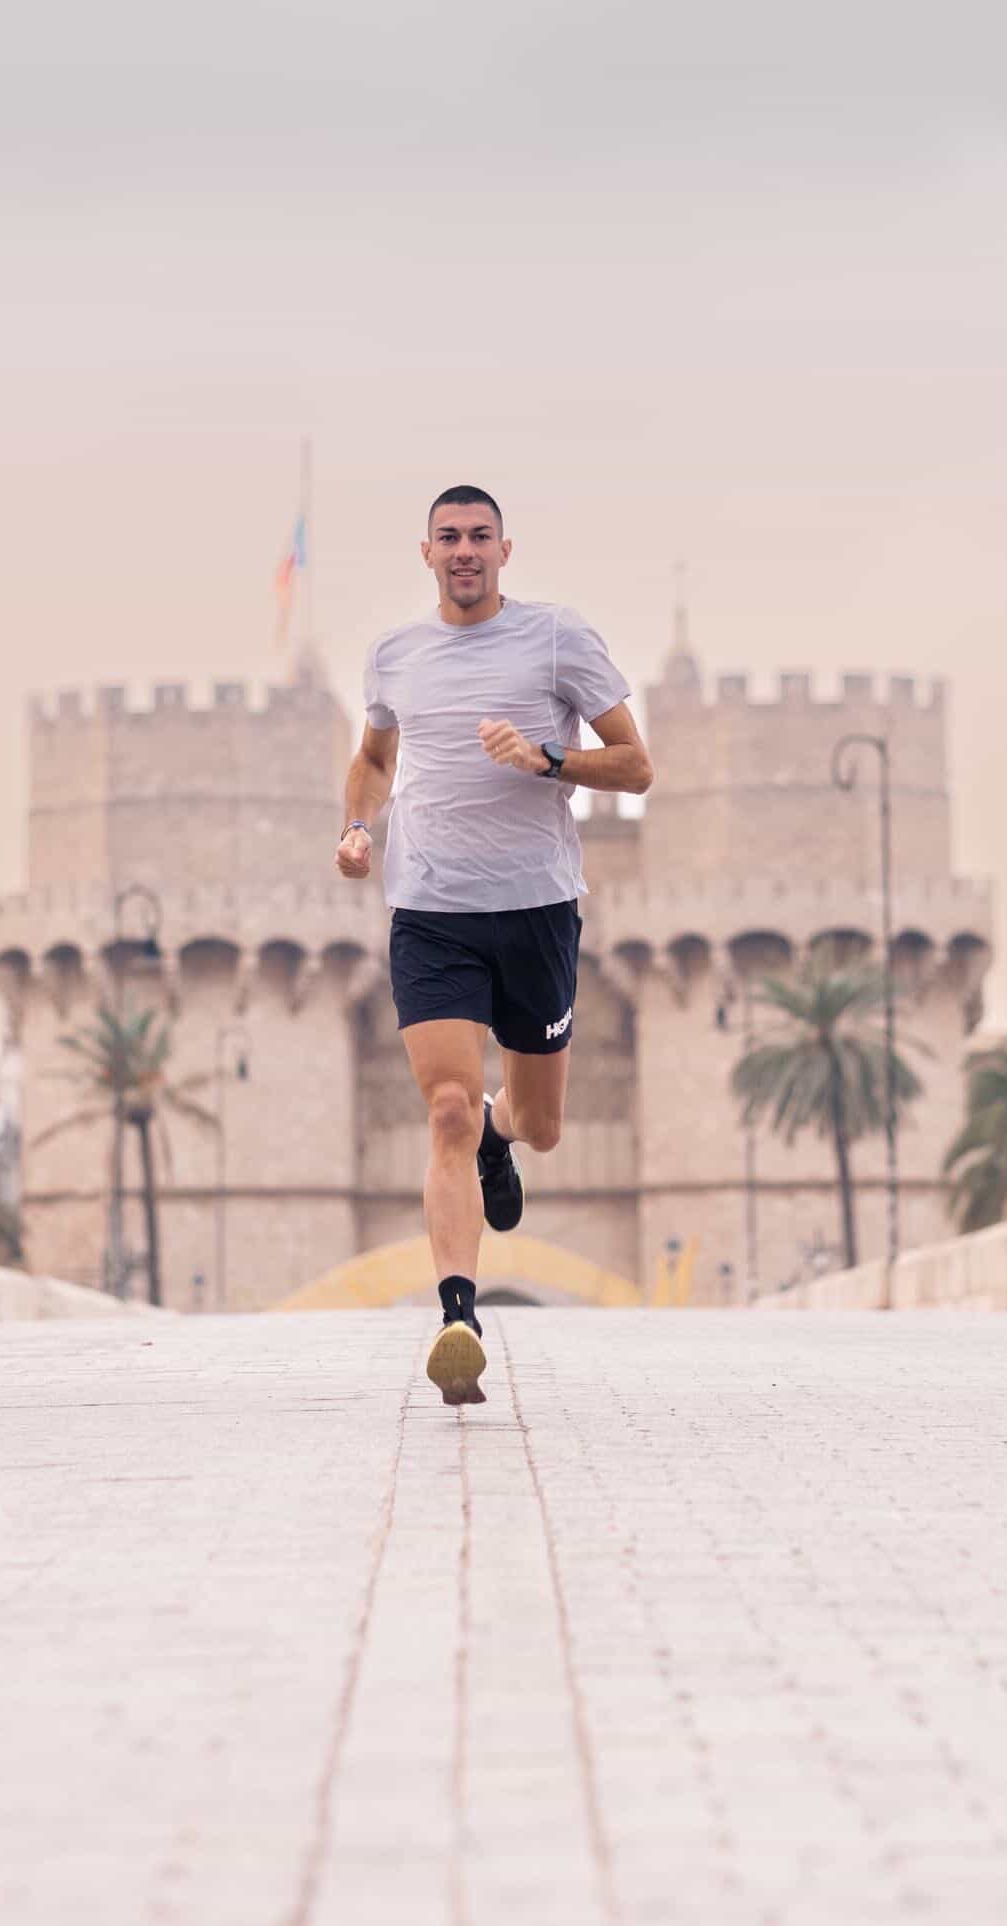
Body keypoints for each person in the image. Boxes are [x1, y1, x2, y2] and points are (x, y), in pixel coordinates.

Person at [335, 487, 653, 1404]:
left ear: (504, 550)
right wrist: (358, 825)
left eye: (480, 537)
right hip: (430, 909)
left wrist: (549, 761)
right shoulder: (393, 655)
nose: (464, 550)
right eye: (449, 538)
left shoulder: (557, 638)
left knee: (538, 1124)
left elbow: (636, 765)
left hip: (538, 910)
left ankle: (498, 1130)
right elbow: (376, 759)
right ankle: (458, 1318)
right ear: (425, 553)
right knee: (443, 1107)